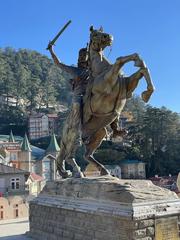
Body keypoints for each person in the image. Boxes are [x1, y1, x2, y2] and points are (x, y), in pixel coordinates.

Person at [47, 43, 89, 177]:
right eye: (82, 57)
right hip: (78, 96)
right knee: (77, 105)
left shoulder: (93, 72)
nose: (83, 59)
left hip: (90, 95)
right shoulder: (75, 71)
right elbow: (58, 63)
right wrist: (52, 51)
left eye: (85, 57)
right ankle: (77, 127)